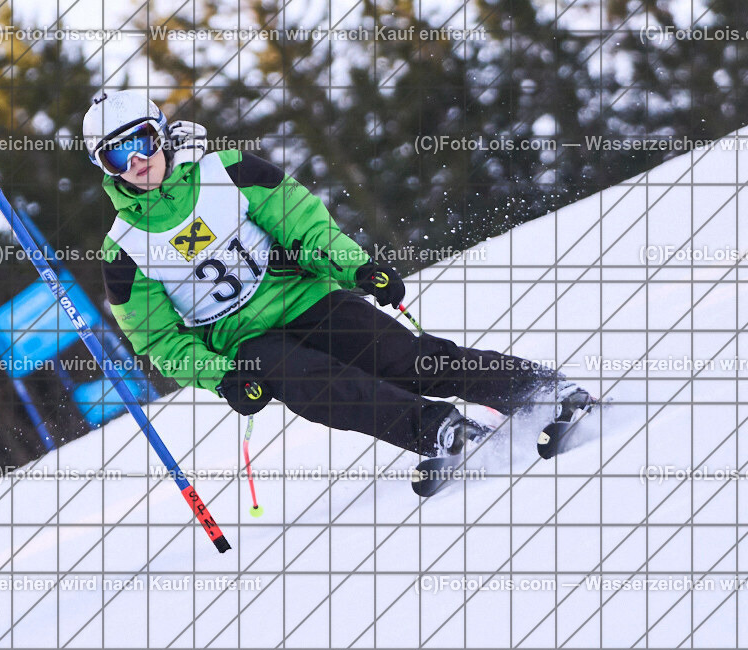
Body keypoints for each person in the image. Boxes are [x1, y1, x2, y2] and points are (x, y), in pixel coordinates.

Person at [83, 90, 591, 460]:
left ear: (162, 133)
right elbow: (158, 342)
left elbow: (303, 223)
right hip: (246, 340)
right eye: (117, 155)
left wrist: (359, 268)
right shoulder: (123, 251)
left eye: (143, 142)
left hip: (305, 296)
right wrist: (224, 376)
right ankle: (440, 431)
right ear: (105, 167)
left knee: (404, 360)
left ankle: (538, 390)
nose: (138, 162)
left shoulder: (230, 170)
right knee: (320, 387)